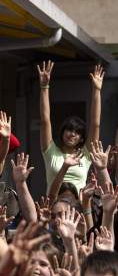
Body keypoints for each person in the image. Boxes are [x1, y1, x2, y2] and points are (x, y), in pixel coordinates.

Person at [39, 61, 104, 192]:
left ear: (81, 138)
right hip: (53, 209)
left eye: (77, 132)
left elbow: (95, 123)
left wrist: (96, 90)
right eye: (69, 129)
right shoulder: (50, 152)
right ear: (63, 132)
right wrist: (44, 86)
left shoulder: (85, 155)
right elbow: (45, 120)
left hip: (79, 210)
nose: (72, 134)